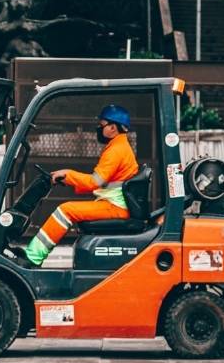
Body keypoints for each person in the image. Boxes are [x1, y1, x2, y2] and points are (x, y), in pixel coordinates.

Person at [22, 104, 139, 266]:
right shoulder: (119, 147)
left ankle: (32, 259)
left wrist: (68, 174)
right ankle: (33, 255)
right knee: (68, 209)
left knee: (66, 210)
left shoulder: (116, 150)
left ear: (113, 128)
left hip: (115, 208)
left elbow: (94, 182)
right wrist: (68, 176)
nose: (98, 128)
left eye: (101, 125)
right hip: (115, 205)